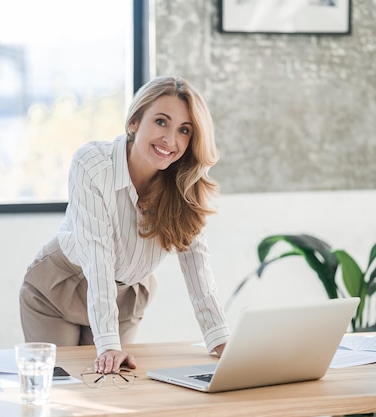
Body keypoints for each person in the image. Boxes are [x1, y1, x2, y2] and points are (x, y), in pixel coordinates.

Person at [19, 75, 229, 374]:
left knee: (112, 388)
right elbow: (97, 256)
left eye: (184, 130)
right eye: (160, 122)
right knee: (63, 386)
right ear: (134, 122)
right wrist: (107, 344)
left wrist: (219, 338)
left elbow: (197, 265)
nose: (170, 139)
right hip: (60, 286)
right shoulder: (93, 164)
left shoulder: (186, 186)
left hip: (127, 295)